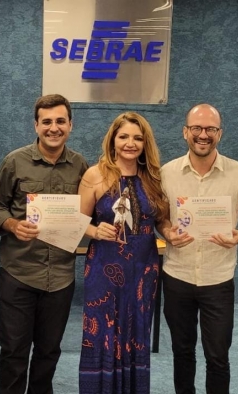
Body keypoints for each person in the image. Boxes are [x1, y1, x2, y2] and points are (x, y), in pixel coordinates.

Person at [0, 94, 88, 394]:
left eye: (60, 121)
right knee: (14, 351)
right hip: (20, 273)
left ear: (70, 125)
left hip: (60, 277)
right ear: (36, 125)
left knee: (48, 351)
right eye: (46, 122)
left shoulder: (81, 166)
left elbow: (90, 210)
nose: (53, 128)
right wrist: (13, 224)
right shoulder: (14, 161)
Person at [158, 103, 238, 394]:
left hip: (218, 279)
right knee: (182, 351)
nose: (203, 134)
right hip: (177, 276)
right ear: (185, 132)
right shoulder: (167, 173)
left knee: (218, 357)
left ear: (220, 133)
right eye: (197, 128)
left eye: (210, 129)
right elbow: (161, 218)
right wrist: (166, 231)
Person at [77, 112, 169, 393]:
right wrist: (95, 231)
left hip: (143, 268)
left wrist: (171, 231)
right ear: (113, 140)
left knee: (137, 332)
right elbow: (76, 220)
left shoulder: (153, 176)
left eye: (138, 138)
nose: (131, 143)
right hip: (104, 265)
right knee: (103, 332)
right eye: (124, 136)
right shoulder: (95, 174)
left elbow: (160, 219)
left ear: (145, 143)